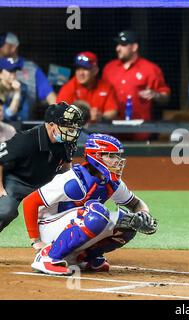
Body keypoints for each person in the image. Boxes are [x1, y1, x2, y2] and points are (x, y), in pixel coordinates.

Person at [22, 134, 157, 275]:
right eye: (111, 156)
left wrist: (144, 214)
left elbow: (136, 204)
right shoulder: (73, 181)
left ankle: (84, 257)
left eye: (117, 156)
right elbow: (30, 202)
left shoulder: (111, 182)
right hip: (49, 229)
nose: (117, 161)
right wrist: (36, 241)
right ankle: (47, 257)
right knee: (98, 212)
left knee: (128, 222)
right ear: (96, 157)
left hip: (77, 223)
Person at [0, 102, 83, 233]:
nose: (71, 128)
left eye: (72, 124)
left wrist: (69, 189)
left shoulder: (67, 142)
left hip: (44, 183)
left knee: (70, 207)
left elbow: (66, 166)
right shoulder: (26, 139)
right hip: (17, 181)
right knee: (4, 212)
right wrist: (0, 188)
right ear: (51, 126)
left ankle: (61, 248)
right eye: (66, 124)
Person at [103, 30, 171, 140]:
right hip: (112, 132)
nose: (118, 48)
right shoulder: (109, 68)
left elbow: (165, 97)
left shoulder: (150, 69)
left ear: (134, 47)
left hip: (141, 132)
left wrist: (156, 95)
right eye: (118, 45)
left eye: (123, 45)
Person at [0, 32, 56, 112]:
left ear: (13, 47)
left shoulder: (30, 68)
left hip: (25, 121)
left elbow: (49, 94)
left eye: (1, 46)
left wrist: (57, 115)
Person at [57, 51, 118, 122]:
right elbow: (59, 113)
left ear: (95, 70)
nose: (81, 73)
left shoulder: (106, 87)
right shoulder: (68, 87)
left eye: (85, 69)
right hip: (74, 130)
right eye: (78, 69)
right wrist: (84, 116)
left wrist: (100, 116)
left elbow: (112, 111)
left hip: (100, 130)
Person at [0, 57, 29, 121]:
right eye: (10, 71)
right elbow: (6, 116)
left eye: (14, 70)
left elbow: (25, 116)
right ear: (0, 74)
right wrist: (17, 93)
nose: (13, 74)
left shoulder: (23, 88)